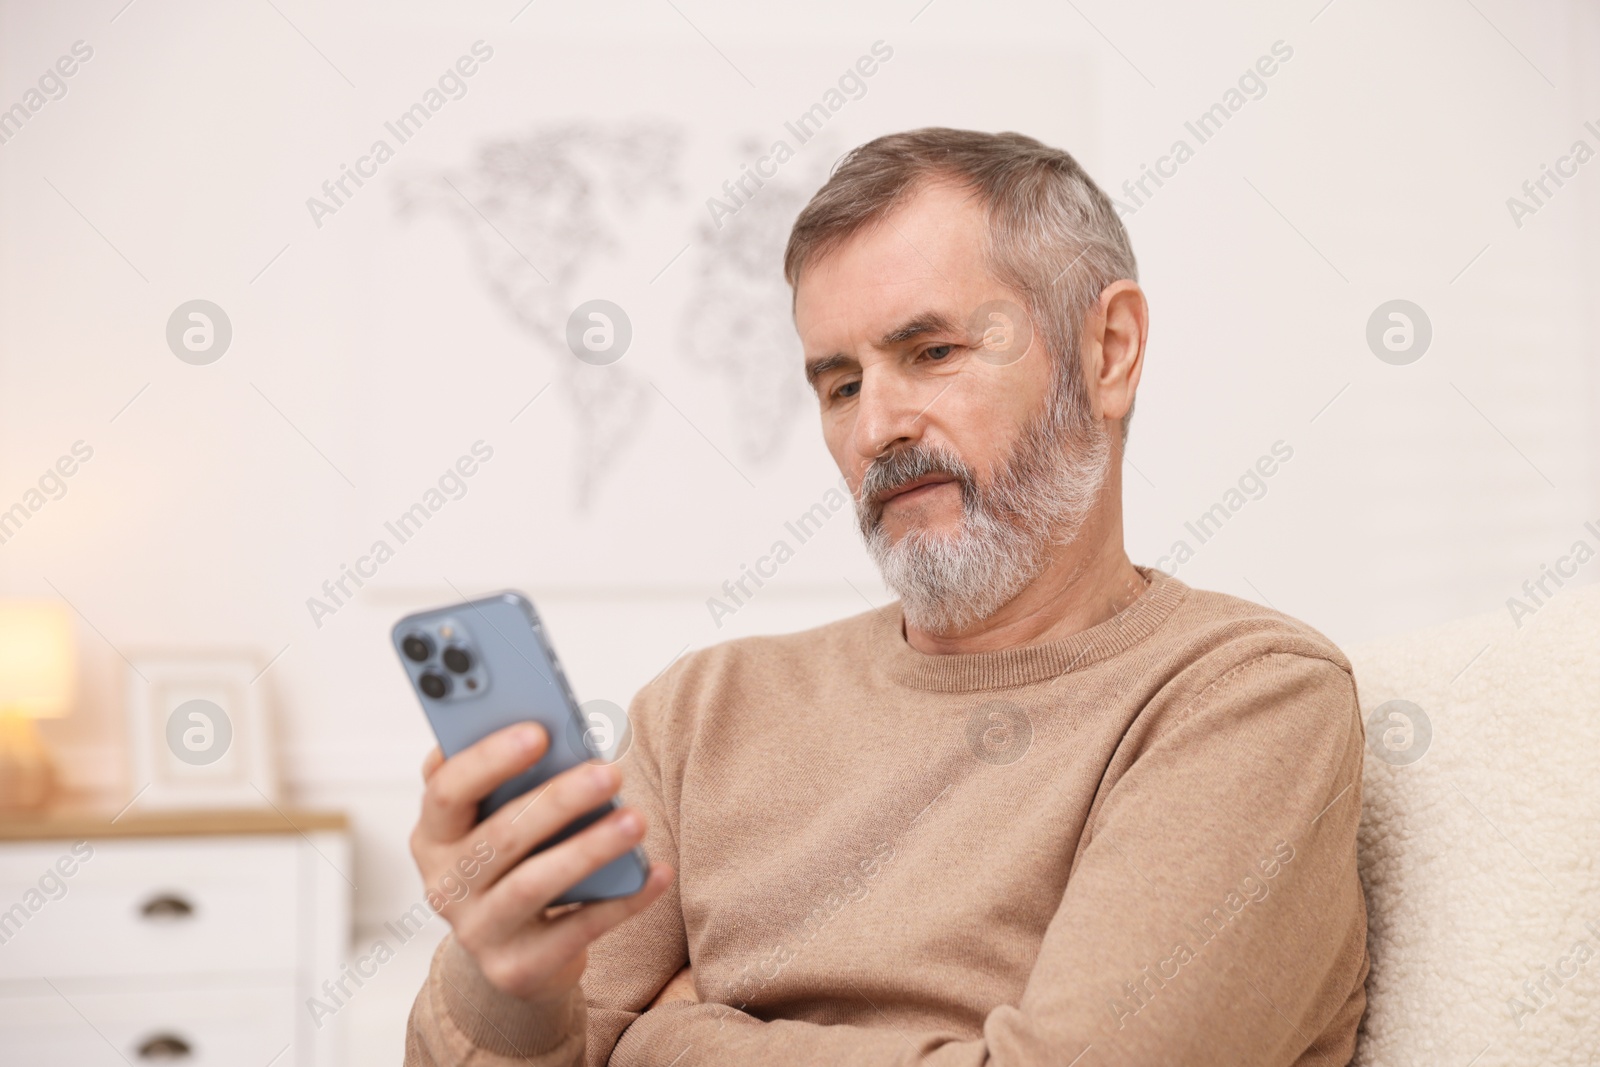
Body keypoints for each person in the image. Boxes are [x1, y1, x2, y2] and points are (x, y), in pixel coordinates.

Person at [404, 127, 1368, 1066]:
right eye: (837, 384)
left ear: (1108, 351)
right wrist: (506, 981)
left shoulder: (1247, 697)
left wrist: (665, 1037)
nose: (876, 427)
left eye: (933, 352)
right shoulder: (703, 713)